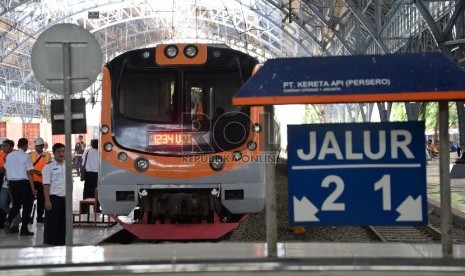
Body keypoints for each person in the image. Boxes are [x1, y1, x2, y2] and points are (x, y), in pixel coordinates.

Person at [4, 138, 36, 236]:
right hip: (24, 183)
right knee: (27, 206)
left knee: (16, 205)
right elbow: (30, 173)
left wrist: (9, 184)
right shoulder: (26, 156)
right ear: (26, 145)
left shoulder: (9, 156)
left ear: (18, 145)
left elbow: (7, 171)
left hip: (13, 184)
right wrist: (33, 189)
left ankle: (8, 220)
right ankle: (24, 229)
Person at [42, 143, 66, 246]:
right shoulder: (48, 166)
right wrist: (47, 200)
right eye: (59, 151)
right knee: (52, 224)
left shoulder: (66, 164)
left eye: (63, 151)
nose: (61, 154)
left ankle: (61, 244)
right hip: (53, 199)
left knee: (62, 224)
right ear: (54, 153)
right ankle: (50, 244)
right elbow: (46, 185)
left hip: (64, 198)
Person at [0, 139, 21, 232]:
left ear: (11, 147)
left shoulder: (15, 157)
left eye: (6, 146)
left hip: (13, 184)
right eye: (3, 146)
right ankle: (16, 218)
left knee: (15, 204)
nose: (3, 148)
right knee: (2, 204)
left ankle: (16, 224)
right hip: (5, 183)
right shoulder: (4, 156)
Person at [30, 137, 52, 223]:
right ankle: (27, 216)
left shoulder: (48, 155)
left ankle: (39, 217)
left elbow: (49, 167)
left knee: (41, 200)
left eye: (38, 146)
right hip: (33, 180)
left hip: (43, 181)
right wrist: (36, 171)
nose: (36, 147)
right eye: (35, 146)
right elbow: (29, 168)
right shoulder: (31, 155)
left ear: (42, 146)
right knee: (29, 200)